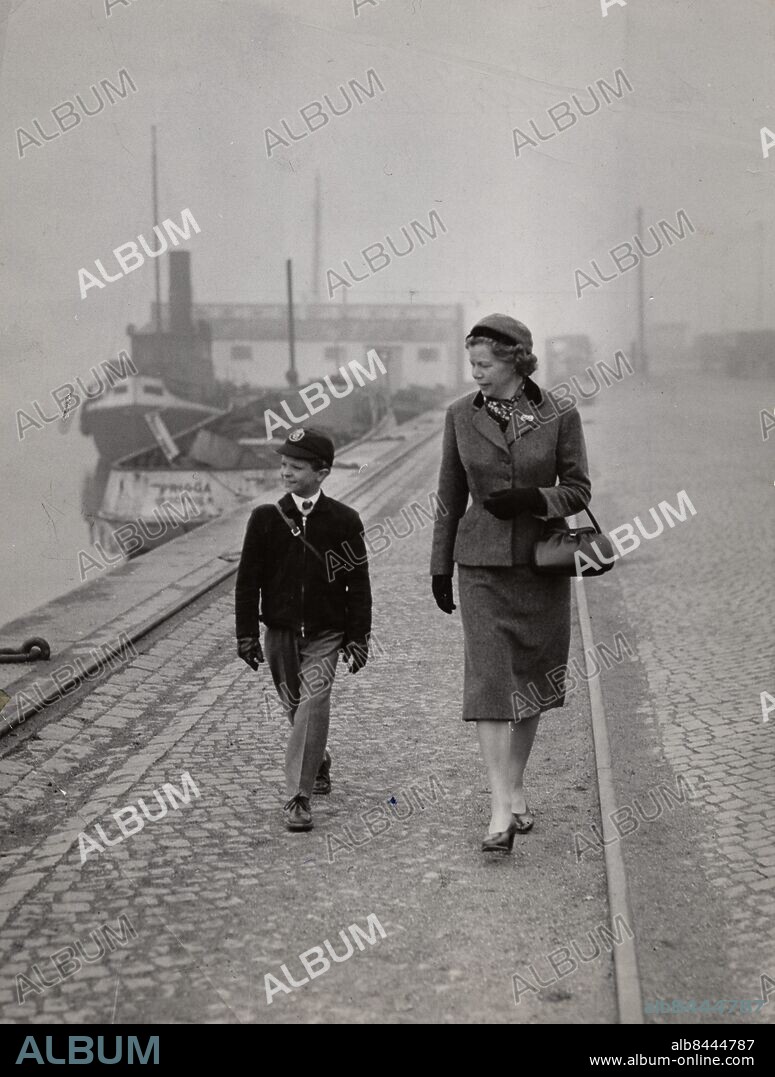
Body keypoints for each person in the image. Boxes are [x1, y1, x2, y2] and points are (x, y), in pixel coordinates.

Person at [430, 314, 591, 855]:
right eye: (471, 364)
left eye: (485, 364)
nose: (475, 373)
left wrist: (533, 499)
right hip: (479, 566)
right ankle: (500, 805)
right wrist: (438, 566)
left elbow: (579, 489)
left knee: (535, 684)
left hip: (541, 564)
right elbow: (449, 497)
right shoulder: (458, 416)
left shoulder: (558, 413)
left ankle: (516, 782)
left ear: (516, 361)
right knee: (491, 686)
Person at [235, 427, 372, 833]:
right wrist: (246, 635)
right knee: (295, 708)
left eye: (296, 466)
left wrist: (358, 637)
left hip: (326, 633)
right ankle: (319, 758)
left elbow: (359, 584)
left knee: (312, 704)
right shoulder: (265, 519)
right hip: (278, 632)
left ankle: (299, 797)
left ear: (323, 472)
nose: (286, 472)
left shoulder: (345, 521)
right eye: (283, 465)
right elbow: (247, 581)